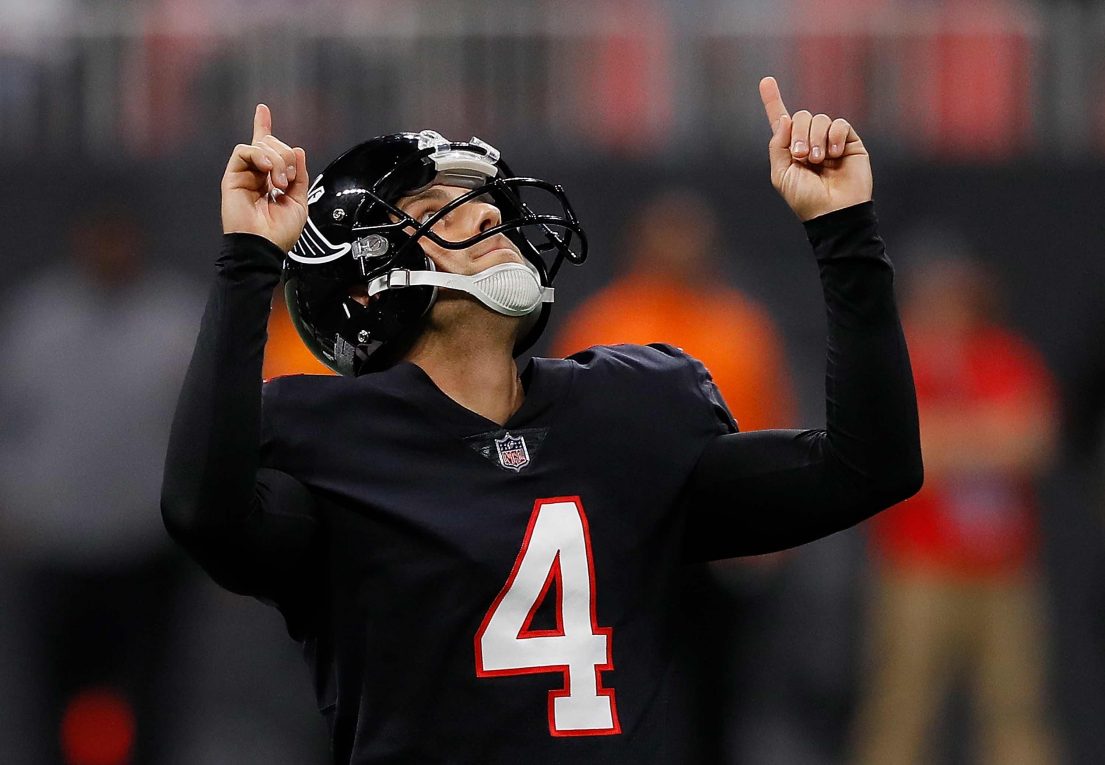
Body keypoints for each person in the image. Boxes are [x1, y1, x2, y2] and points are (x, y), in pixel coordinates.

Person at [161, 77, 922, 763]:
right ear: (362, 291)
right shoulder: (330, 438)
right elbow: (203, 512)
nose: (489, 210)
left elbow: (868, 467)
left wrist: (843, 232)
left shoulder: (631, 409)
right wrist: (247, 260)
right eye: (435, 210)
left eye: (489, 199)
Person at [851, 249, 1058, 765]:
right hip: (920, 566)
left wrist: (952, 438)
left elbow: (1035, 439)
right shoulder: (901, 361)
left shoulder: (1003, 355)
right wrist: (987, 435)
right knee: (902, 708)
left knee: (1016, 709)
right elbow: (901, 454)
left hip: (1004, 570)